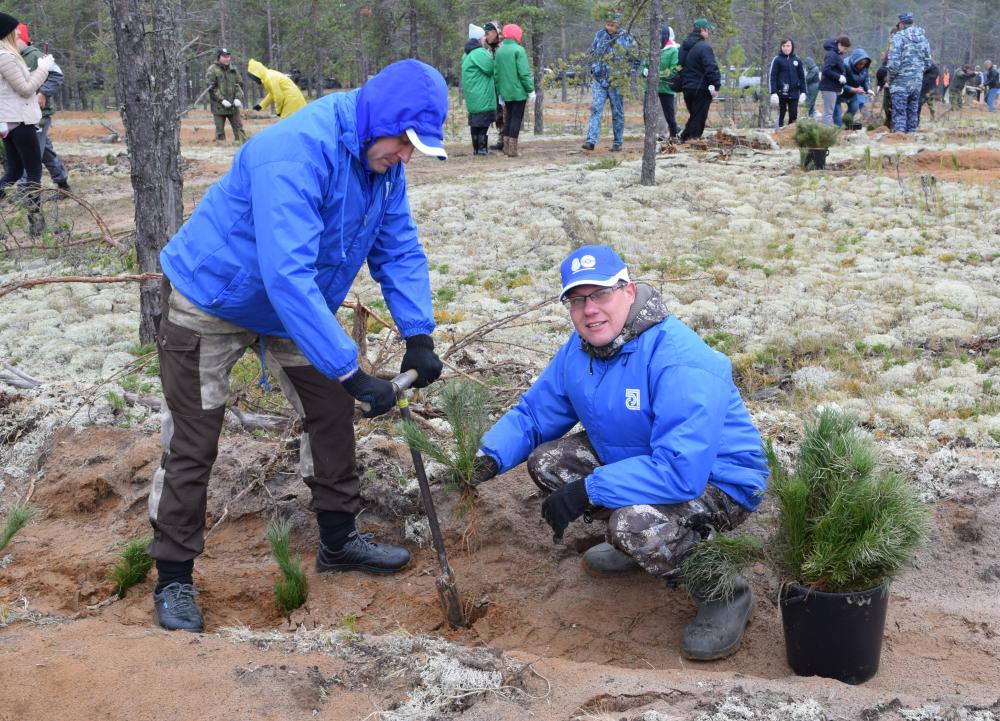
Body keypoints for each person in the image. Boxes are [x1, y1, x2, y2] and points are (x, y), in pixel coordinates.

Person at [149, 59, 449, 632]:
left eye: (417, 148)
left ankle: (338, 541)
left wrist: (419, 333)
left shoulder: (381, 165)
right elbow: (284, 272)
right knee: (193, 438)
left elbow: (399, 249)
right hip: (212, 295)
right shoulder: (294, 152)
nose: (406, 157)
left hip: (294, 304)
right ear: (377, 121)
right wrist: (348, 366)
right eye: (404, 143)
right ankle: (173, 577)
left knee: (331, 408)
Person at [468, 245, 768, 660]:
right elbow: (537, 413)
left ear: (628, 290)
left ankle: (722, 590)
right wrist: (487, 457)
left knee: (632, 523)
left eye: (600, 295)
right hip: (645, 457)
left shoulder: (680, 358)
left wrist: (590, 490)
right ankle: (641, 543)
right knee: (549, 463)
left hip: (720, 480)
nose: (589, 310)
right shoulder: (579, 350)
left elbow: (682, 472)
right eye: (577, 300)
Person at [0, 12, 54, 236]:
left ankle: (36, 222)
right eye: (14, 30)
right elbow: (25, 89)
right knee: (33, 173)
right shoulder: (5, 56)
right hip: (20, 122)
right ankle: (36, 224)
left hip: (10, 122)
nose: (17, 34)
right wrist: (44, 68)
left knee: (14, 172)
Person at [15, 23, 69, 192]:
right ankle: (63, 183)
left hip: (39, 116)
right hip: (20, 115)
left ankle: (25, 193)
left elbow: (57, 74)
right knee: (44, 151)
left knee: (30, 156)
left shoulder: (36, 56)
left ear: (20, 38)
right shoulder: (10, 57)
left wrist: (43, 93)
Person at [582, 12, 638, 152]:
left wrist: (628, 73)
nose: (609, 27)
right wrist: (593, 69)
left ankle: (618, 143)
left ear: (618, 24)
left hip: (617, 81)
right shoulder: (600, 35)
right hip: (599, 80)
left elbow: (636, 57)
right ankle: (591, 141)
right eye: (607, 24)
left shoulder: (627, 37)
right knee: (596, 109)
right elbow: (592, 53)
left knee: (617, 112)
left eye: (612, 25)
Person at [886, 12, 932, 133]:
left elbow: (894, 64)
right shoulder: (923, 38)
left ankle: (900, 141)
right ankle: (912, 138)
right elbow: (928, 63)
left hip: (900, 82)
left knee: (899, 113)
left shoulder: (898, 37)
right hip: (916, 82)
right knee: (912, 111)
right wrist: (917, 73)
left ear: (901, 24)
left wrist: (890, 79)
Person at [677, 19, 721, 143]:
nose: (709, 33)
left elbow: (678, 67)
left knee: (695, 116)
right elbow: (711, 67)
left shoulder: (683, 47)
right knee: (699, 118)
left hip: (686, 88)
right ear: (702, 30)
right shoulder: (705, 47)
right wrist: (716, 85)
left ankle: (683, 138)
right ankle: (692, 142)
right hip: (701, 89)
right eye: (708, 30)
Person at [494, 23, 534, 158]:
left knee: (509, 118)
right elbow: (524, 73)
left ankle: (506, 147)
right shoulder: (519, 50)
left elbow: (496, 74)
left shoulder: (499, 51)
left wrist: (500, 92)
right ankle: (512, 150)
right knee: (516, 118)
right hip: (518, 92)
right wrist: (530, 89)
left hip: (505, 92)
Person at [640, 24, 680, 141]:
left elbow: (674, 69)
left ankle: (673, 136)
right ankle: (651, 136)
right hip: (650, 88)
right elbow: (644, 64)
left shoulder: (673, 50)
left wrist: (657, 75)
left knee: (669, 116)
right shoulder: (651, 49)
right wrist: (644, 71)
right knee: (647, 113)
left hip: (666, 88)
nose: (659, 37)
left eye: (661, 34)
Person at [462, 25, 495, 155]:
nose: (485, 38)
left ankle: (477, 149)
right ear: (478, 38)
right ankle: (482, 149)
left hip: (473, 95)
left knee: (475, 123)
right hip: (482, 94)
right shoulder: (479, 53)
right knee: (483, 123)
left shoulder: (466, 54)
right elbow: (490, 68)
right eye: (483, 36)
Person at [206, 48, 246, 143]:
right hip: (219, 107)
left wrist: (238, 98)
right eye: (224, 56)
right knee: (220, 132)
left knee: (239, 130)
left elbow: (239, 85)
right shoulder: (212, 69)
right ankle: (221, 151)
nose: (227, 58)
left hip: (233, 106)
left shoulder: (233, 69)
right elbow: (211, 88)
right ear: (219, 57)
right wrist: (222, 100)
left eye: (228, 56)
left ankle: (241, 147)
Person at [768, 38, 807, 127]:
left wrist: (803, 92)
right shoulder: (777, 59)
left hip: (794, 92)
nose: (786, 48)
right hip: (781, 93)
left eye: (788, 46)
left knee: (793, 114)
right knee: (781, 113)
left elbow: (802, 77)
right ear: (781, 47)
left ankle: (790, 134)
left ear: (792, 46)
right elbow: (772, 76)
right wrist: (773, 93)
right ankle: (778, 133)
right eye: (784, 46)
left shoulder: (797, 60)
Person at [819, 36, 850, 127]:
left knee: (830, 111)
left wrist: (839, 87)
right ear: (839, 44)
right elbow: (826, 70)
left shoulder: (836, 54)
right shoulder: (832, 54)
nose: (844, 51)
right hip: (828, 87)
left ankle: (826, 131)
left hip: (833, 87)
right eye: (844, 48)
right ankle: (825, 133)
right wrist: (839, 77)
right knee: (828, 112)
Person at [837, 48, 872, 128]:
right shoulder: (844, 65)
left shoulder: (864, 68)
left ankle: (845, 125)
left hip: (852, 94)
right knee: (837, 119)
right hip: (839, 92)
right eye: (860, 64)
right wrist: (854, 90)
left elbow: (864, 80)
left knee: (854, 107)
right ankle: (837, 128)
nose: (861, 66)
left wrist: (868, 89)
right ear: (855, 61)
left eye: (864, 64)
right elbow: (840, 84)